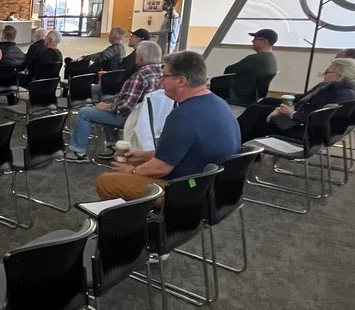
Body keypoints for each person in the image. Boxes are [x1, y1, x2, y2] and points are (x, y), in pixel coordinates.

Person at [95, 50, 241, 201]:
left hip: (189, 190)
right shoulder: (219, 104)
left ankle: (133, 222)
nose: (160, 82)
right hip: (211, 185)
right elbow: (190, 149)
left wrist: (132, 171)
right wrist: (146, 156)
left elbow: (161, 168)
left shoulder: (183, 116)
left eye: (164, 76)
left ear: (181, 81)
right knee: (136, 162)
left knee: (107, 181)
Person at [69, 40, 163, 161]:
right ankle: (113, 146)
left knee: (84, 113)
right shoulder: (163, 73)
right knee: (106, 108)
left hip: (132, 118)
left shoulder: (140, 76)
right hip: (151, 119)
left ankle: (78, 152)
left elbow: (125, 107)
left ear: (141, 58)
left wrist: (107, 107)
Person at [236, 57, 355, 143]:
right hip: (311, 129)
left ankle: (236, 143)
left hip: (306, 133)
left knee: (256, 115)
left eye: (327, 72)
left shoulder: (340, 93)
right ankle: (241, 146)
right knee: (260, 110)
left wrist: (290, 113)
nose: (323, 74)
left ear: (339, 76)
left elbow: (321, 117)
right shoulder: (343, 90)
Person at [223, 28, 279, 104]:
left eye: (256, 39)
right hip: (254, 98)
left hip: (238, 97)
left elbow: (228, 71)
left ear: (265, 41)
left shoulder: (254, 59)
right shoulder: (272, 58)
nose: (252, 41)